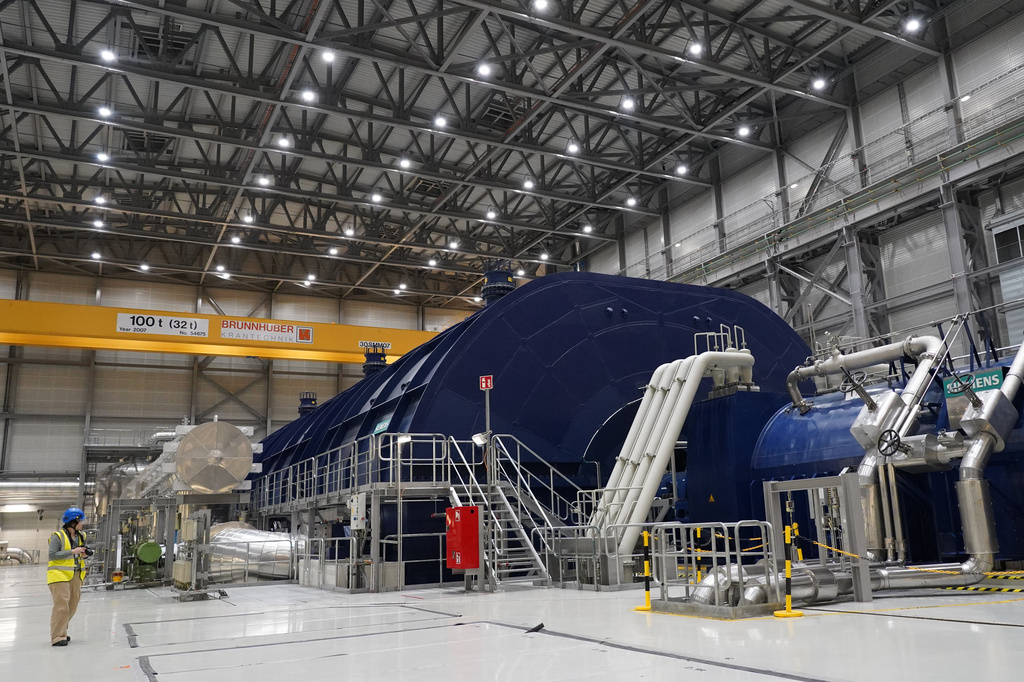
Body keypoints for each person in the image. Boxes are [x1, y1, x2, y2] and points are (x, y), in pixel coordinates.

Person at [47, 507, 88, 647]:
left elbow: (80, 553)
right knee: (61, 606)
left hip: (76, 574)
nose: (82, 523)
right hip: (59, 575)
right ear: (73, 522)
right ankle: (57, 636)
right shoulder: (57, 537)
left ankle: (62, 629)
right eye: (81, 521)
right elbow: (52, 555)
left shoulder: (81, 536)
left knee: (72, 605)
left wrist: (84, 554)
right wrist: (72, 551)